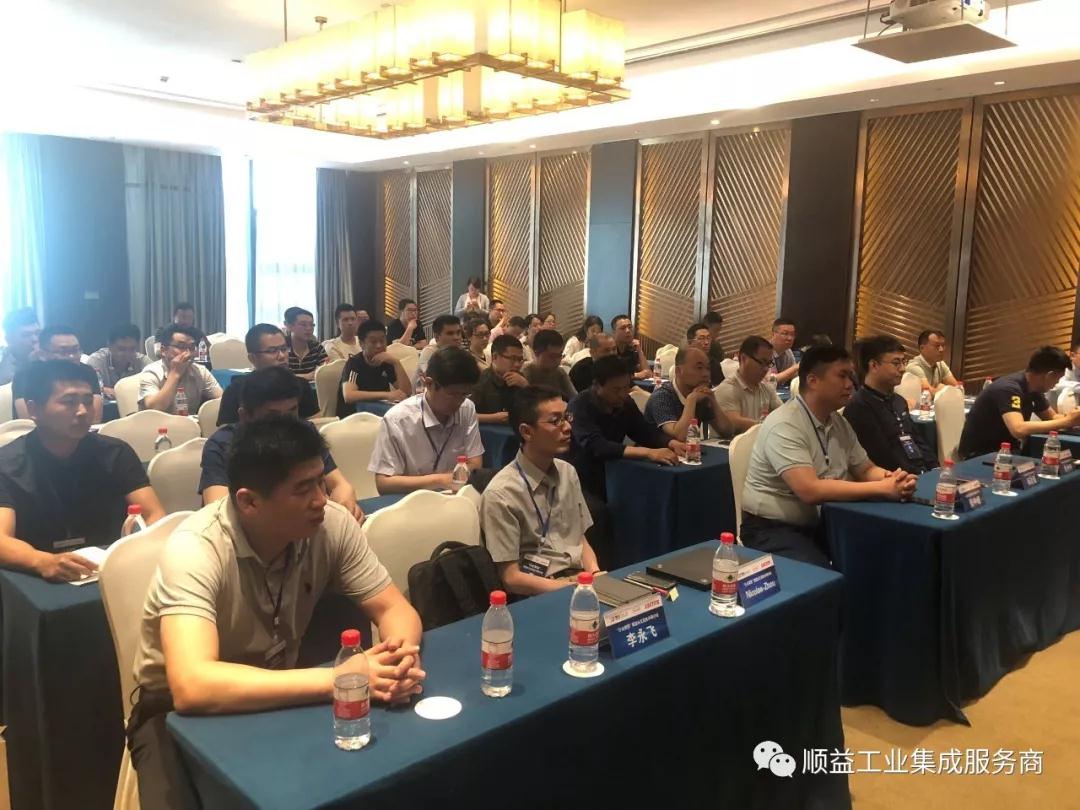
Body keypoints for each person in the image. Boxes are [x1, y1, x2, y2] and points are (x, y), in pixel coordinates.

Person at [128, 417, 423, 810]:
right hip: (174, 714)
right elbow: (191, 685)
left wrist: (398, 659)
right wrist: (341, 678)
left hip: (281, 686)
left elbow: (393, 608)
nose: (321, 499)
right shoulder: (196, 548)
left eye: (321, 482)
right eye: (303, 489)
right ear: (249, 502)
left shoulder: (331, 524)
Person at [741, 345, 917, 568]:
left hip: (825, 522)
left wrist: (893, 479)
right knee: (822, 575)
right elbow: (810, 490)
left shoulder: (838, 422)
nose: (850, 384)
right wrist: (882, 488)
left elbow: (865, 469)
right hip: (771, 529)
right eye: (842, 376)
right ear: (813, 380)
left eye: (851, 376)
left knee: (884, 551)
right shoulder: (785, 424)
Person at [0, 361, 165, 581]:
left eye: (88, 401)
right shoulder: (7, 463)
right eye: (69, 402)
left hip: (112, 568)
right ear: (33, 409)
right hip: (36, 574)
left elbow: (154, 514)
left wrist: (137, 554)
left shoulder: (115, 453)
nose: (82, 411)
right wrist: (40, 561)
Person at [200, 367, 362, 520]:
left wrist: (346, 506)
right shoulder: (222, 445)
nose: (285, 424)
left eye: (292, 412)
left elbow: (339, 485)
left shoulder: (304, 433)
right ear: (245, 416)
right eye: (273, 416)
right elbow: (219, 513)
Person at [482, 386, 599, 595]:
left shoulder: (568, 472)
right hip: (538, 591)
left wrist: (595, 574)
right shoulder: (501, 494)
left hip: (578, 581)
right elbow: (511, 578)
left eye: (567, 417)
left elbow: (580, 538)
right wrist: (571, 589)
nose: (567, 427)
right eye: (556, 421)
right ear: (526, 431)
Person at [568, 355, 685, 500]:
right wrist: (648, 452)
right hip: (581, 479)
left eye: (626, 387)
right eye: (616, 390)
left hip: (615, 472)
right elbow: (596, 445)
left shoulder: (625, 402)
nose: (623, 394)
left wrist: (671, 443)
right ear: (597, 385)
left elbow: (643, 431)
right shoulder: (579, 406)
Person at [369, 346, 484, 494]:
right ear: (429, 383)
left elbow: (475, 463)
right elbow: (384, 483)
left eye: (465, 394)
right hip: (411, 501)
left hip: (454, 498)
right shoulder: (397, 420)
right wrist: (439, 480)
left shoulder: (466, 408)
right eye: (452, 394)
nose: (459, 402)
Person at [957, 346, 1080, 459]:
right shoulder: (1009, 388)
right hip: (979, 454)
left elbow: (1052, 417)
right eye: (1058, 378)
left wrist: (1073, 418)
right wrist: (1067, 421)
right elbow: (1018, 429)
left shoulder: (1033, 388)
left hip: (1006, 452)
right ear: (1049, 375)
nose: (1057, 383)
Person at [844, 335, 937, 475]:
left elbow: (918, 441)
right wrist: (916, 475)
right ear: (874, 365)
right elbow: (882, 457)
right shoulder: (859, 407)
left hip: (919, 473)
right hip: (894, 479)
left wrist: (935, 469)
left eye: (904, 362)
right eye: (896, 363)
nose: (903, 368)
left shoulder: (899, 401)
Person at [217, 324, 319, 426]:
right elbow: (227, 432)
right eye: (272, 351)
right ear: (252, 358)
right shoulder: (236, 391)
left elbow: (314, 425)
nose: (282, 356)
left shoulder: (301, 385)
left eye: (284, 349)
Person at [12, 325, 104, 422]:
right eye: (63, 352)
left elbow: (94, 418)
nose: (71, 356)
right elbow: (28, 420)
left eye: (75, 350)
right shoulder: (26, 375)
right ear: (43, 354)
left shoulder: (87, 372)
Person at [645, 346, 731, 441]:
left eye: (708, 368)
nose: (706, 374)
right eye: (699, 368)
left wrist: (713, 401)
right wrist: (691, 400)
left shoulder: (700, 394)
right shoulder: (662, 396)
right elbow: (681, 436)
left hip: (689, 449)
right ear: (678, 371)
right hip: (656, 449)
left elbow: (727, 431)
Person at [139, 324, 222, 414]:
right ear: (163, 350)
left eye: (191, 347)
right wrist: (175, 374)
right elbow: (154, 409)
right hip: (157, 422)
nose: (188, 354)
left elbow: (222, 401)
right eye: (181, 347)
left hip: (189, 422)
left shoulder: (200, 371)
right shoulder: (151, 372)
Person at [339, 320, 412, 415]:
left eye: (382, 341)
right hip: (356, 415)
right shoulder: (354, 363)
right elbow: (349, 395)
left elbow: (406, 392)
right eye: (373, 342)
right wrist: (387, 395)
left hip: (380, 410)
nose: (379, 345)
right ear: (361, 344)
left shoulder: (387, 362)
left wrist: (396, 363)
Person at [714, 335, 783, 434]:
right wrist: (765, 426)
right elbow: (733, 422)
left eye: (768, 364)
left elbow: (783, 415)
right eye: (762, 362)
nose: (765, 369)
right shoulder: (728, 389)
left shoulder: (766, 387)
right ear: (743, 358)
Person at [472, 335, 529, 425]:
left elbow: (537, 410)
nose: (517, 364)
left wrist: (526, 386)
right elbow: (466, 416)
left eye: (520, 359)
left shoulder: (521, 379)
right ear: (495, 357)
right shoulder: (481, 381)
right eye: (513, 359)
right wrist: (493, 418)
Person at [87, 323, 151, 398]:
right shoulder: (97, 360)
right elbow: (88, 388)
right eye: (122, 349)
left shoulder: (143, 361)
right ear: (109, 346)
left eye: (132, 349)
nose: (127, 354)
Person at [522, 329, 576, 401]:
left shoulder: (560, 372)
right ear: (537, 353)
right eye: (552, 356)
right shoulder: (526, 372)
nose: (557, 360)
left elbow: (575, 399)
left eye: (560, 355)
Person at [416, 315, 463, 387]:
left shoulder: (460, 353)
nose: (456, 337)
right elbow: (433, 378)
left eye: (458, 333)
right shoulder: (429, 352)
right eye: (450, 333)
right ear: (437, 337)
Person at [906, 330, 959, 394]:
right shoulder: (913, 367)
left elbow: (957, 388)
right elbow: (927, 392)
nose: (941, 349)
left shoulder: (940, 364)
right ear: (922, 348)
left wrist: (942, 388)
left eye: (943, 345)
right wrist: (942, 388)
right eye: (936, 346)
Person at [284, 307, 328, 382]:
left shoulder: (317, 347)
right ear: (290, 326)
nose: (309, 328)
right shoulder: (282, 347)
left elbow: (325, 371)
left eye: (312, 325)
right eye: (303, 324)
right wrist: (305, 376)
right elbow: (277, 376)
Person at [0, 307, 40, 386]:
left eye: (37, 333)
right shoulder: (2, 362)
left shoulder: (50, 357)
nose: (35, 339)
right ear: (9, 339)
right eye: (26, 335)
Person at [610, 314, 649, 379]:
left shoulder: (632, 349)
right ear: (613, 332)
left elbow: (648, 373)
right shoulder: (609, 349)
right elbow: (610, 375)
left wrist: (639, 351)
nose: (628, 331)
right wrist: (635, 375)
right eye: (623, 328)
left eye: (630, 327)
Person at [770, 318, 799, 386]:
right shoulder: (765, 351)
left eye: (792, 334)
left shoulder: (788, 351)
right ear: (773, 334)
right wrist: (796, 367)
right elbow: (771, 381)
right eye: (785, 333)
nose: (790, 338)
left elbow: (795, 377)